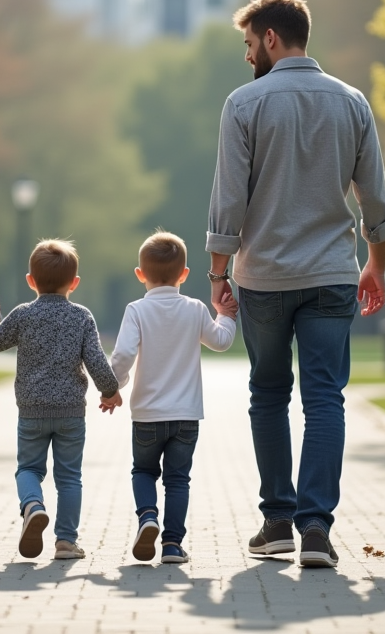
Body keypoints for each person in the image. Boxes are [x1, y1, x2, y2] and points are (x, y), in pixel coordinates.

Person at [206, 0, 385, 568]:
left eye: (248, 43)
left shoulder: (244, 104)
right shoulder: (352, 102)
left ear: (270, 38)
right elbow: (375, 198)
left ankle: (278, 520)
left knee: (267, 393)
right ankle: (316, 529)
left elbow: (229, 199)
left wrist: (217, 272)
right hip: (333, 274)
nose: (246, 56)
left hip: (264, 276)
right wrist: (376, 264)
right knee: (324, 398)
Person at [0, 239, 120, 561]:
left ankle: (33, 505)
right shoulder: (82, 317)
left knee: (28, 468)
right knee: (69, 476)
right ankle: (66, 542)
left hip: (31, 410)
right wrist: (110, 391)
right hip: (70, 412)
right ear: (74, 283)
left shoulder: (23, 315)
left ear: (31, 280)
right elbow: (96, 360)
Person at [106, 231, 238, 565]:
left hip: (147, 414)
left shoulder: (136, 310)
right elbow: (221, 341)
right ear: (184, 274)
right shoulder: (194, 309)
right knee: (178, 480)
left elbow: (122, 355)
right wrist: (227, 314)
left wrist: (113, 388)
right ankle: (172, 545)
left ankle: (147, 516)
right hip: (186, 416)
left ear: (140, 275)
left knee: (143, 472)